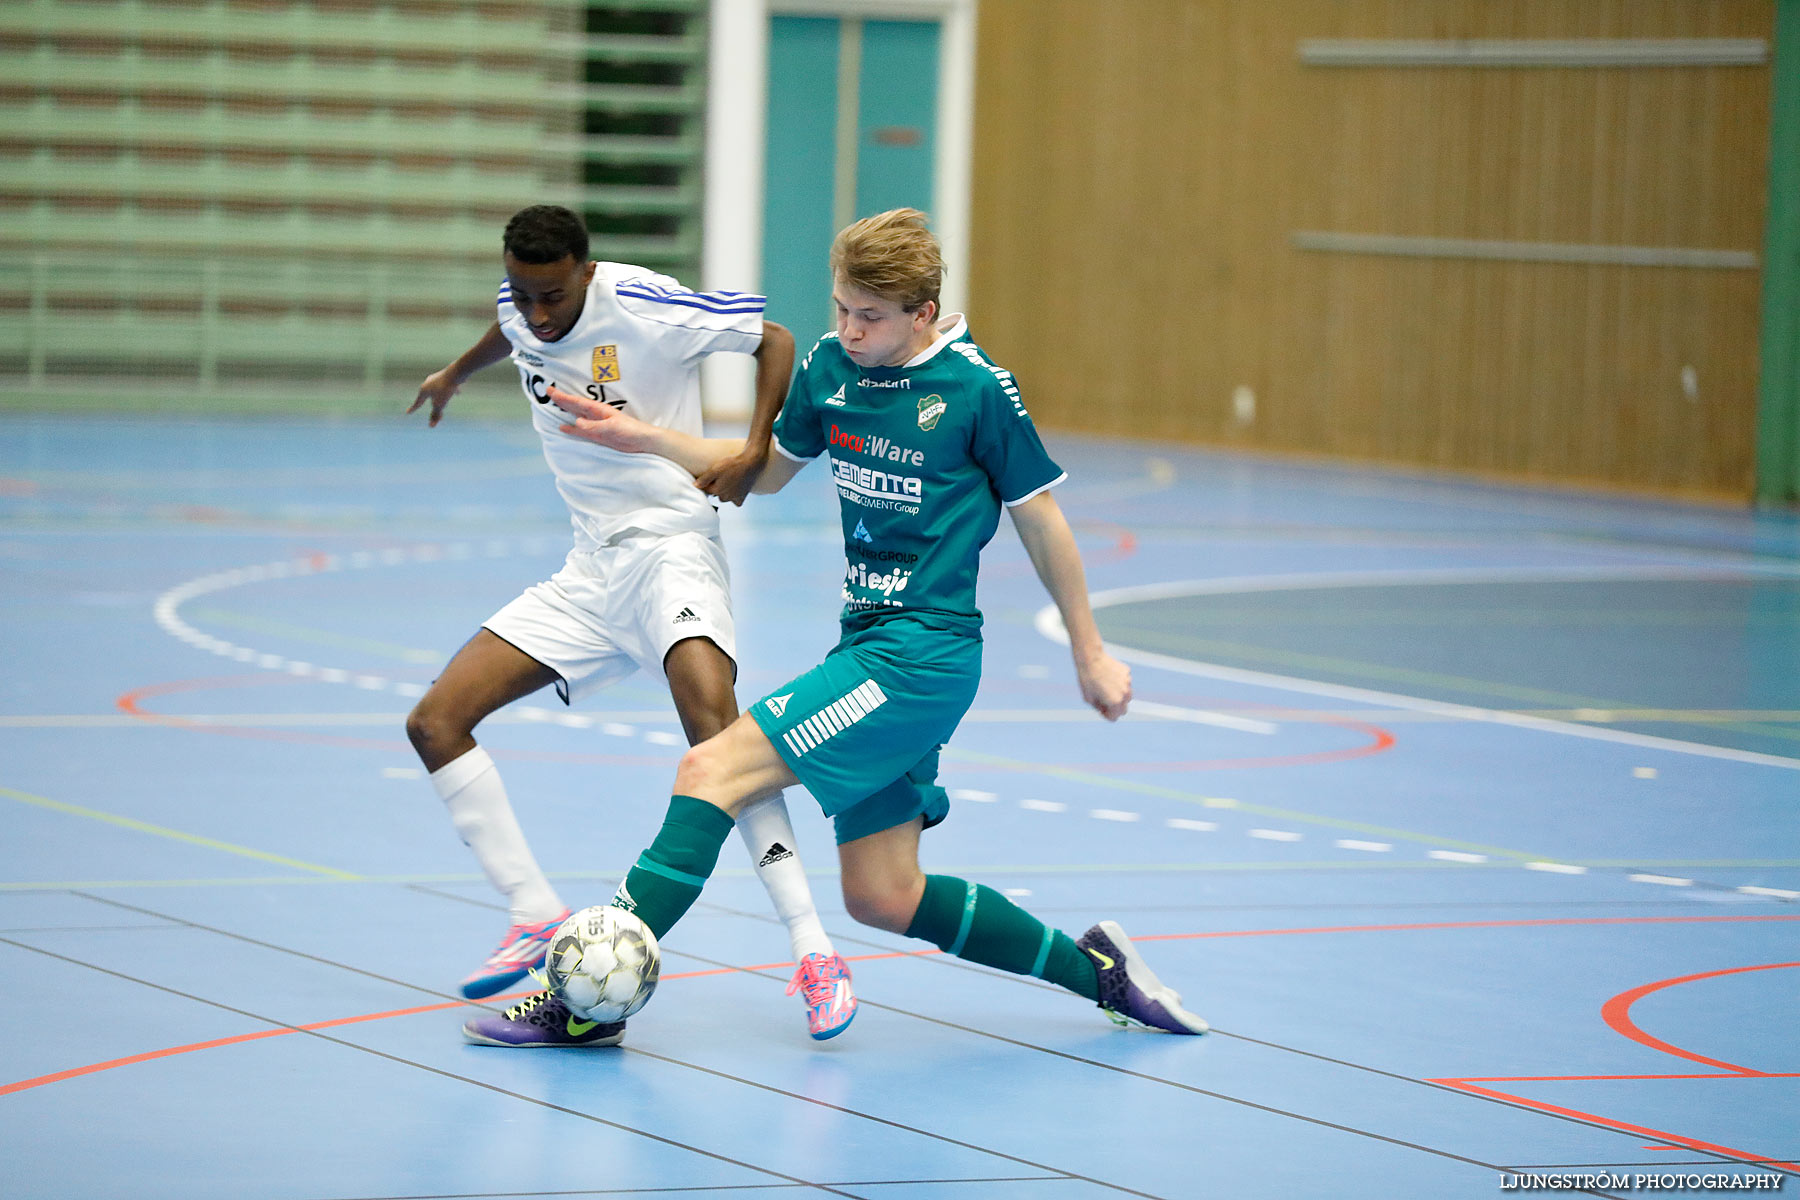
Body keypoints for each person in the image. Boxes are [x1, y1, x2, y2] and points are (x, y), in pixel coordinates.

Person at [464, 208, 1206, 1048]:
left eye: (870, 316)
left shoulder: (973, 389)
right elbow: (765, 476)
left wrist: (1091, 651)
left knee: (714, 767)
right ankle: (1099, 970)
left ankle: (589, 1004)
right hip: (866, 641)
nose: (848, 330)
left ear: (922, 314)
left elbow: (1041, 520)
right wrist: (644, 438)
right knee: (884, 895)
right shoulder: (828, 367)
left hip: (922, 655)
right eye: (841, 308)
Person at [405, 204, 858, 1044]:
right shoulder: (521, 306)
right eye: (522, 293)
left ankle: (813, 950)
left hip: (670, 550)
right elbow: (512, 333)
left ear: (586, 270)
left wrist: (754, 447)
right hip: (588, 570)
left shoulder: (647, 304)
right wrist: (456, 373)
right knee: (435, 722)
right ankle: (534, 911)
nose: (537, 313)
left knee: (719, 741)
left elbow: (780, 339)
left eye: (551, 295)